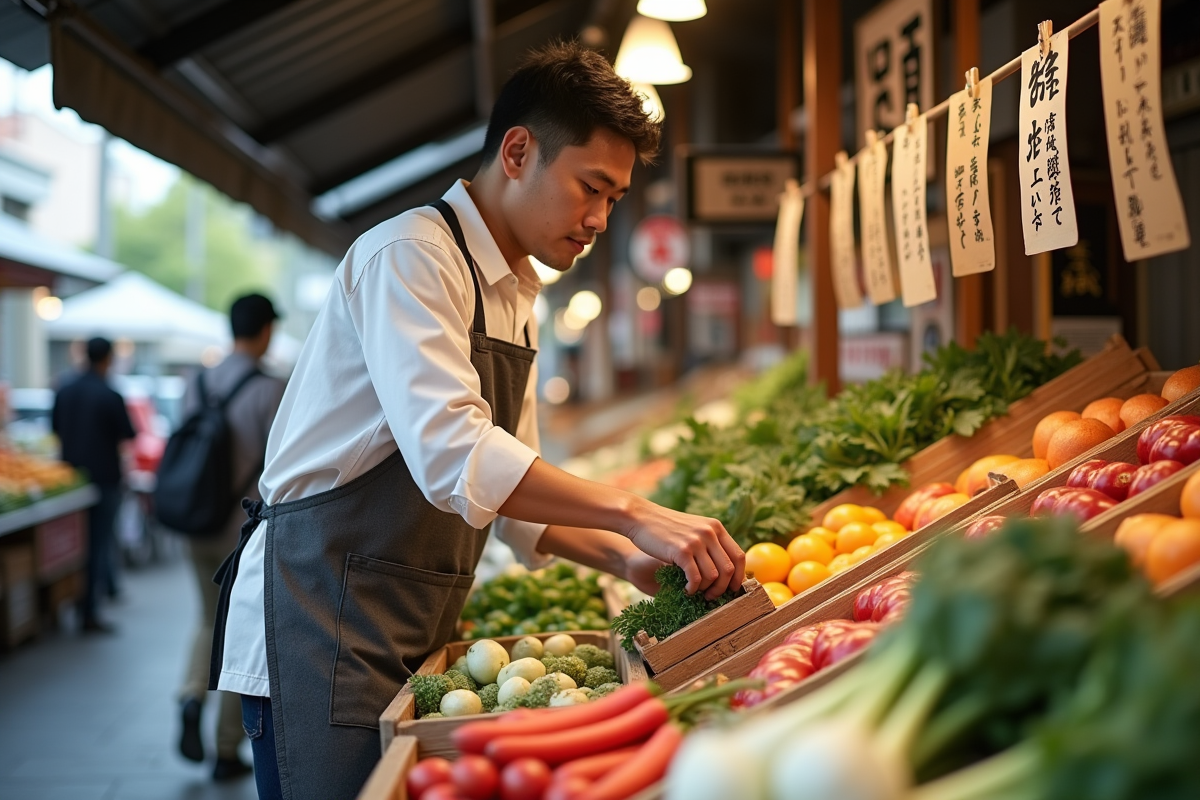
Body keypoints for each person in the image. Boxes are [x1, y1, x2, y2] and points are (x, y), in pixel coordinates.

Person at [212, 42, 745, 800]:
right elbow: (455, 452)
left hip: (405, 625)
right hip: (321, 619)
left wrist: (622, 559)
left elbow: (513, 499)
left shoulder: (517, 294)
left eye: (615, 200)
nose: (597, 219)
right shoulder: (410, 257)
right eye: (590, 187)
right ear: (519, 151)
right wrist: (635, 514)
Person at [178, 294, 286, 781]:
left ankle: (187, 695)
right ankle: (226, 749)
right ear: (266, 331)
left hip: (192, 523)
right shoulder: (270, 390)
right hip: (238, 534)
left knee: (207, 618)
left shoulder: (195, 382)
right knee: (235, 630)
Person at [52, 336, 136, 633]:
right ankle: (89, 611)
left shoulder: (65, 390)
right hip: (104, 479)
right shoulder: (109, 394)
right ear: (108, 359)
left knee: (74, 547)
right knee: (98, 545)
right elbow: (128, 433)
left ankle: (74, 606)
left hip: (69, 481)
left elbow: (55, 429)